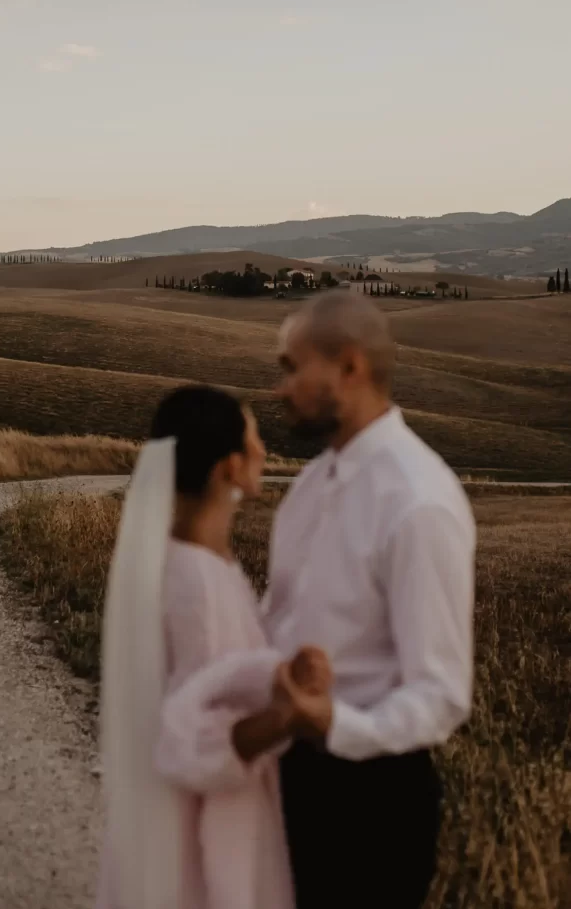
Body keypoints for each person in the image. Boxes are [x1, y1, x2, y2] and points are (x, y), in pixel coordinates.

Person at [264, 291, 476, 909]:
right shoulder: (310, 485)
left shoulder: (418, 501)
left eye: (291, 367)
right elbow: (276, 619)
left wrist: (338, 726)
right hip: (288, 774)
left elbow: (441, 694)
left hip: (373, 800)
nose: (282, 389)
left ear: (350, 368)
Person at [96, 385, 331, 909]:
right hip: (203, 831)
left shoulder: (205, 565)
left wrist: (279, 672)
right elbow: (190, 738)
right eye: (254, 440)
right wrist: (286, 717)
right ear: (228, 467)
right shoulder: (196, 581)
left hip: (209, 809)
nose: (265, 452)